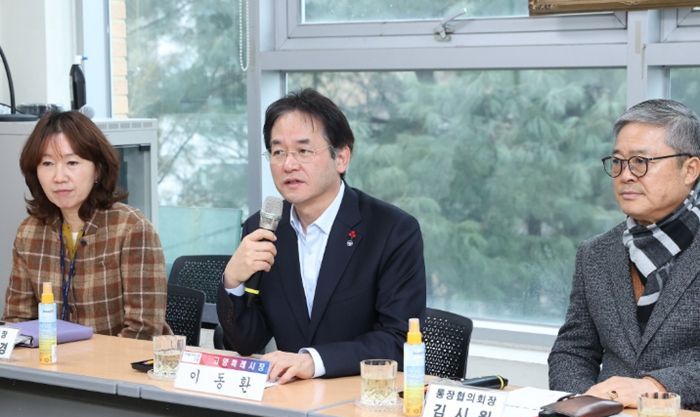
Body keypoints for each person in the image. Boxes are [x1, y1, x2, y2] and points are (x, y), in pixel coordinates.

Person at [217, 88, 426, 383]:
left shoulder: (392, 230)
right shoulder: (263, 229)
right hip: (289, 398)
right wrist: (233, 282)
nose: (289, 164)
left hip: (361, 397)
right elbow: (247, 341)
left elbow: (398, 340)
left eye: (303, 151)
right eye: (278, 152)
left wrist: (312, 362)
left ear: (341, 158)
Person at [548, 99, 700, 409]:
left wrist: (655, 387)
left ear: (690, 170)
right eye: (618, 162)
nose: (626, 175)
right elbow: (573, 350)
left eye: (641, 161)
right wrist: (584, 406)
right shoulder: (595, 253)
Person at [3, 111, 171, 339]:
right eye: (48, 163)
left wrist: (82, 360)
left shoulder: (132, 228)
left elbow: (142, 331)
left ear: (98, 169)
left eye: (72, 162)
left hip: (122, 360)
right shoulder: (29, 232)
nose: (59, 177)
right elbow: (17, 322)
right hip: (49, 360)